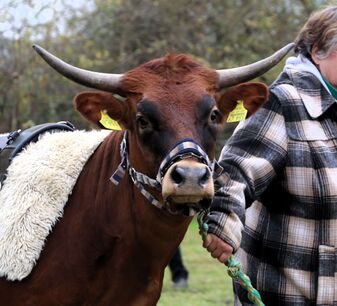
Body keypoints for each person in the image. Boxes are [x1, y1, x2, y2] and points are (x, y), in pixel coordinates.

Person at [203, 6, 337, 305]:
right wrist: (224, 222)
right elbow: (236, 173)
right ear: (318, 52)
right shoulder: (283, 102)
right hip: (288, 291)